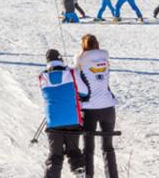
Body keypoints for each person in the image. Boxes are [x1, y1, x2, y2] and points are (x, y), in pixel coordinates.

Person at [74, 34, 119, 178]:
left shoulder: (81, 60)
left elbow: (75, 72)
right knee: (108, 147)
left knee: (88, 149)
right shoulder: (105, 59)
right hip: (108, 107)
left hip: (90, 109)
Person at [41, 49, 87, 178]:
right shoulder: (71, 73)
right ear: (61, 60)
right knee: (73, 150)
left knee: (55, 155)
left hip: (53, 121)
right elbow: (84, 92)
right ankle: (79, 173)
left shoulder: (43, 77)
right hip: (72, 119)